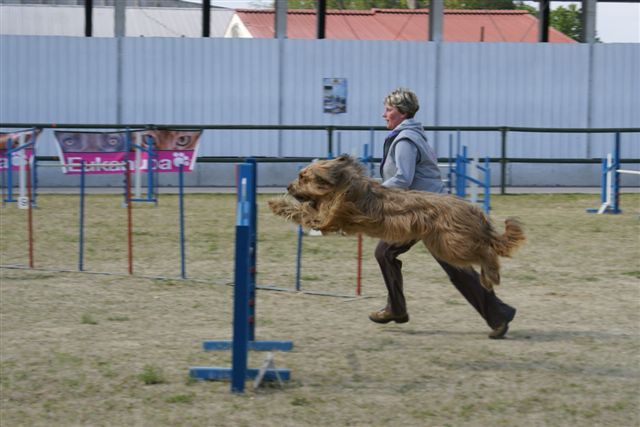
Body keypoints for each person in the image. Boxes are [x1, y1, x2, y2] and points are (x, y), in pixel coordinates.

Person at [369, 87, 516, 339]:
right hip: (425, 209)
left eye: (389, 109)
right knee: (396, 254)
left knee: (389, 253)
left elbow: (403, 179)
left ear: (402, 112)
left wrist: (373, 192)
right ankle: (497, 314)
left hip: (427, 213)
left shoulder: (405, 140)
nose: (384, 114)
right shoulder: (411, 135)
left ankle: (398, 308)